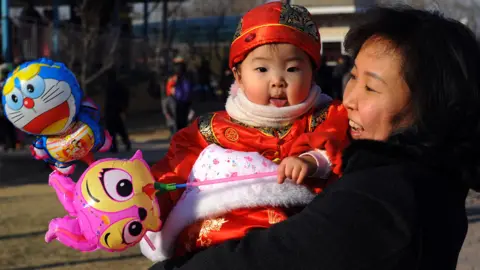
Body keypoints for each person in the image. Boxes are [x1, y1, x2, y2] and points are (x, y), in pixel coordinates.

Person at [149, 6, 480, 270]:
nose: (348, 98)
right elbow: (168, 174)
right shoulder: (211, 130)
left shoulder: (386, 199)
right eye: (353, 78)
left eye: (371, 87)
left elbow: (268, 258)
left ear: (430, 105)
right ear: (237, 73)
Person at [140, 2, 350, 263]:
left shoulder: (326, 116)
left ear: (312, 73)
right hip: (218, 247)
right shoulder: (210, 131)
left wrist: (312, 160)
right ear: (238, 76)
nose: (277, 81)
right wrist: (150, 201)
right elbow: (173, 172)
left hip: (296, 246)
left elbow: (337, 137)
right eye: (262, 69)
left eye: (292, 69)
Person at [104, 69, 131, 153]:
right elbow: (126, 95)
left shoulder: (110, 86)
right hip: (117, 110)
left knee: (113, 130)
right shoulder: (119, 85)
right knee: (120, 128)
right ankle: (126, 143)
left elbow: (108, 100)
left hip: (112, 110)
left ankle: (114, 146)